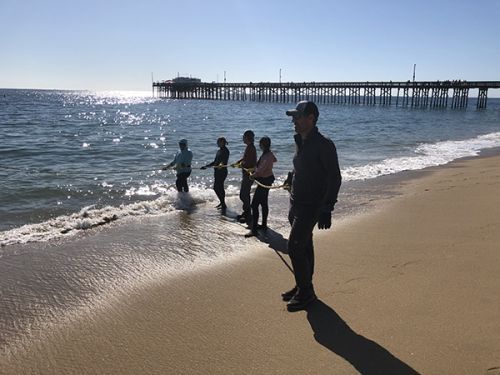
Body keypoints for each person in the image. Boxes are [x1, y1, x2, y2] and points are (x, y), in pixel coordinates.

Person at [283, 100, 342, 312]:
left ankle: (307, 293)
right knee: (305, 245)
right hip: (295, 201)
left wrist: (328, 208)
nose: (294, 121)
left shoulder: (324, 144)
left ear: (311, 118)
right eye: (293, 117)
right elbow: (301, 167)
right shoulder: (301, 140)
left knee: (294, 246)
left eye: (297, 117)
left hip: (311, 205)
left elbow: (335, 178)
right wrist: (291, 179)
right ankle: (303, 285)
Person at [245, 136, 277, 237]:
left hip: (265, 181)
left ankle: (254, 230)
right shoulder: (268, 154)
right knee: (263, 202)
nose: (259, 146)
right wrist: (253, 170)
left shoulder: (267, 155)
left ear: (263, 145)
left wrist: (253, 175)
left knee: (254, 204)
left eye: (260, 144)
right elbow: (273, 160)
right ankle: (263, 224)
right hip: (266, 179)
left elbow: (261, 170)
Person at [232, 130, 257, 224]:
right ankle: (246, 213)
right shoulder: (249, 147)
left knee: (243, 195)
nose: (243, 138)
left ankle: (248, 215)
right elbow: (246, 158)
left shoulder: (251, 148)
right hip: (247, 174)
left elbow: (250, 162)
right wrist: (239, 161)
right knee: (245, 194)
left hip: (249, 175)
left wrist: (242, 164)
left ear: (247, 137)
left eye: (244, 137)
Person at [201, 137, 230, 211]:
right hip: (217, 172)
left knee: (217, 188)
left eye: (219, 142)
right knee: (219, 188)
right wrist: (206, 166)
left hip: (222, 172)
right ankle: (222, 202)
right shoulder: (219, 151)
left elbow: (224, 161)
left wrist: (221, 164)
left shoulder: (226, 151)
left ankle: (223, 204)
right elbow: (215, 162)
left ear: (223, 142)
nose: (217, 143)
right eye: (217, 142)